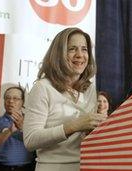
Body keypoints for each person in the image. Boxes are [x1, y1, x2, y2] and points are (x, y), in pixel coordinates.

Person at [23, 27, 108, 171]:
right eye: (72, 49)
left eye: (84, 49)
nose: (80, 55)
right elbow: (30, 140)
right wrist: (73, 126)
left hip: (87, 166)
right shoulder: (43, 88)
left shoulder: (90, 90)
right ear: (58, 54)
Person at [0, 86, 35, 171]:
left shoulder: (32, 121)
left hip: (27, 168)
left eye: (16, 98)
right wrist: (9, 131)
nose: (11, 101)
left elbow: (39, 144)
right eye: (7, 98)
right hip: (0, 167)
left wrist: (23, 128)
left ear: (22, 102)